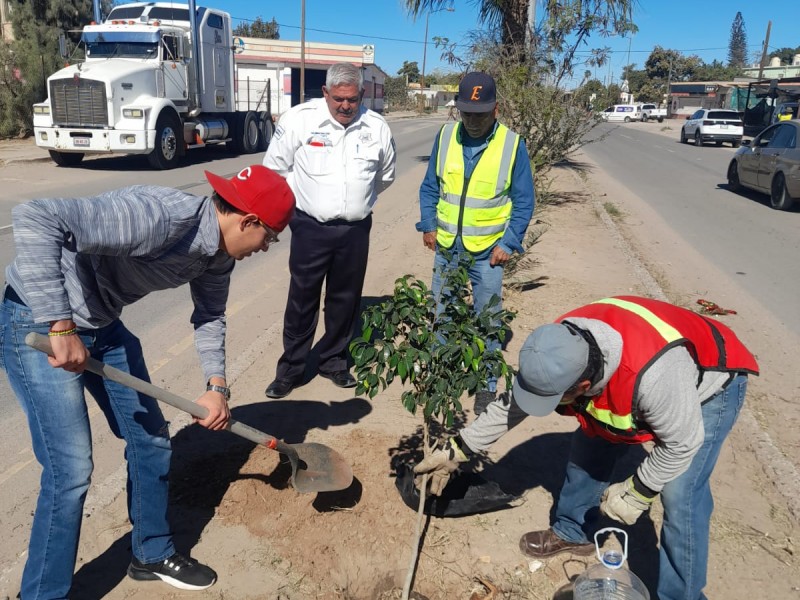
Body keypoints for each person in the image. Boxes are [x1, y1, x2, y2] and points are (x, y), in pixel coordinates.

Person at [0, 165, 295, 599]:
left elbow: (210, 315)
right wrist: (61, 326)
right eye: (269, 237)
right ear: (248, 221)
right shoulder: (160, 216)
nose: (266, 247)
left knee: (152, 438)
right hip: (38, 322)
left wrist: (216, 386)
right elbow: (36, 216)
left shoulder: (218, 256)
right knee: (71, 470)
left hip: (101, 325)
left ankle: (151, 554)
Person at [414, 296, 759, 600]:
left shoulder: (655, 378)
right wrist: (457, 450)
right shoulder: (555, 347)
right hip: (634, 374)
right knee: (589, 448)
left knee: (680, 496)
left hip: (710, 381)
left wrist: (638, 490)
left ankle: (681, 596)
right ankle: (571, 531)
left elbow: (682, 442)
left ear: (582, 384)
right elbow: (513, 405)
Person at [263, 62, 396, 399]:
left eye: (352, 99)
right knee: (301, 299)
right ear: (325, 93)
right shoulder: (299, 120)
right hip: (309, 228)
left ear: (362, 94)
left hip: (354, 231)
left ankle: (334, 361)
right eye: (338, 99)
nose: (345, 106)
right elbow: (275, 170)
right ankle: (291, 369)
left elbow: (385, 177)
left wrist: (355, 201)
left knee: (345, 300)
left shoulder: (377, 126)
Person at [416, 72, 534, 415]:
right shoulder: (446, 136)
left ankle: (486, 386)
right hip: (448, 249)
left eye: (480, 114)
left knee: (488, 320)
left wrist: (509, 244)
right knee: (442, 314)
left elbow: (524, 201)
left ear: (495, 110)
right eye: (467, 113)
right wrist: (428, 226)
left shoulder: (513, 145)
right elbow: (430, 187)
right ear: (458, 110)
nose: (473, 121)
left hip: (487, 256)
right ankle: (442, 374)